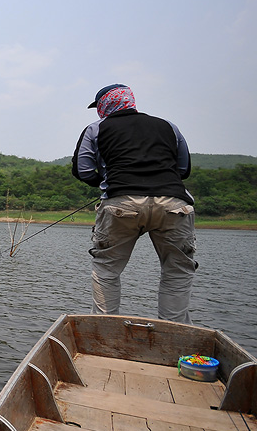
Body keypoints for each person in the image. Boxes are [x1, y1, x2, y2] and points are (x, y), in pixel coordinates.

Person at [71, 84, 197, 324]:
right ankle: (175, 338)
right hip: (174, 203)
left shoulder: (96, 128)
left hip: (121, 204)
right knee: (177, 273)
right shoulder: (169, 126)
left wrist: (107, 182)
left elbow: (83, 170)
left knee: (107, 271)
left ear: (105, 105)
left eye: (98, 107)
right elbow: (183, 169)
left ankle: (106, 335)